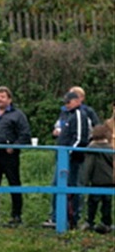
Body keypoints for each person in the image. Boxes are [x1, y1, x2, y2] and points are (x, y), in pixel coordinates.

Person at [0, 86, 32, 226]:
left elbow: (25, 134)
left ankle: (16, 216)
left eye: (2, 97)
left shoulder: (17, 115)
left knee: (14, 184)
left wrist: (14, 146)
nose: (0, 99)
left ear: (9, 99)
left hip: (9, 155)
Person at [42, 91, 90, 229]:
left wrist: (68, 153)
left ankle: (71, 219)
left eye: (68, 102)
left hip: (72, 160)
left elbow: (81, 139)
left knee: (71, 188)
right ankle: (57, 217)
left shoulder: (80, 115)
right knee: (57, 186)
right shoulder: (69, 116)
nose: (66, 105)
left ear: (76, 101)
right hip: (64, 158)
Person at [81, 124, 114, 233]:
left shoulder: (92, 149)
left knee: (93, 202)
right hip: (109, 180)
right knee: (107, 203)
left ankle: (90, 221)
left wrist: (84, 181)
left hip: (97, 179)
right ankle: (106, 222)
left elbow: (88, 166)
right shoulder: (110, 149)